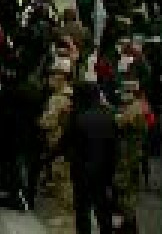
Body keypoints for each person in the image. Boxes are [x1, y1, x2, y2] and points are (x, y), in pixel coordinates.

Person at [63, 82, 117, 234]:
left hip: (82, 171)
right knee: (103, 208)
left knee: (82, 211)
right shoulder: (108, 116)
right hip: (103, 170)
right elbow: (113, 146)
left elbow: (67, 143)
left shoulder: (78, 117)